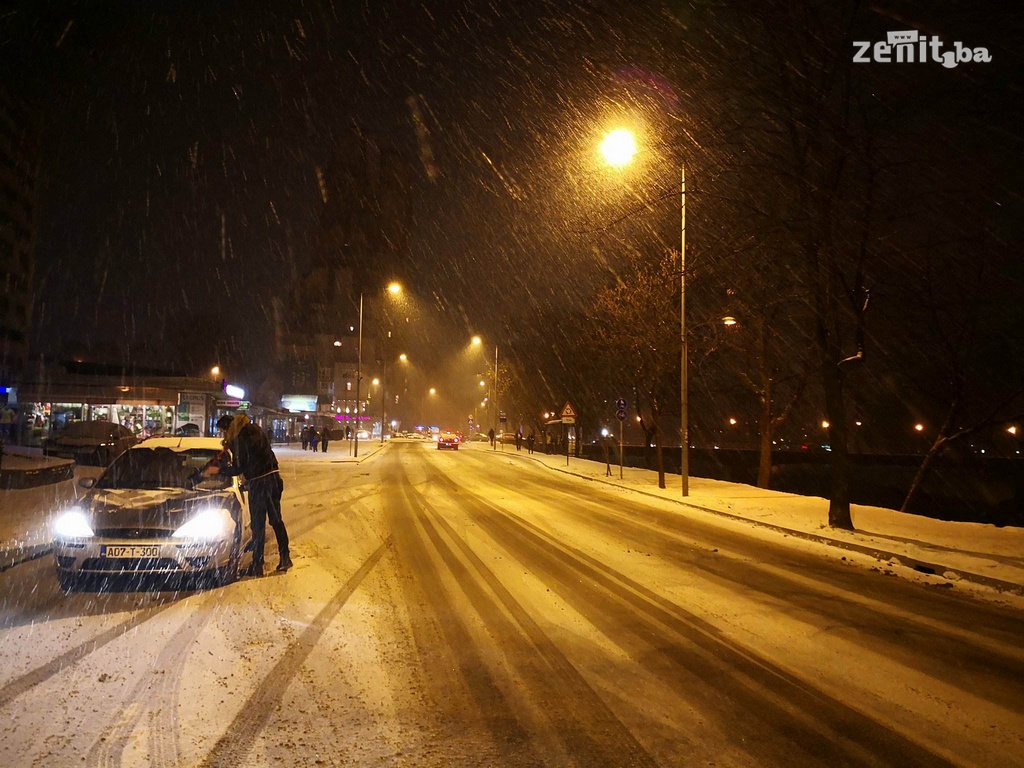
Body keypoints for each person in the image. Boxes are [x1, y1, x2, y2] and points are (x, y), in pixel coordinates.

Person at [213, 414, 292, 576]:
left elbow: (239, 468)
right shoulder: (255, 429)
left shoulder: (238, 439)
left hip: (258, 482)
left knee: (258, 526)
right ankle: (285, 557)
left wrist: (219, 470)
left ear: (228, 428)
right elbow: (257, 452)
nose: (223, 435)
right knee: (276, 520)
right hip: (273, 478)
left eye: (222, 431)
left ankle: (257, 565)